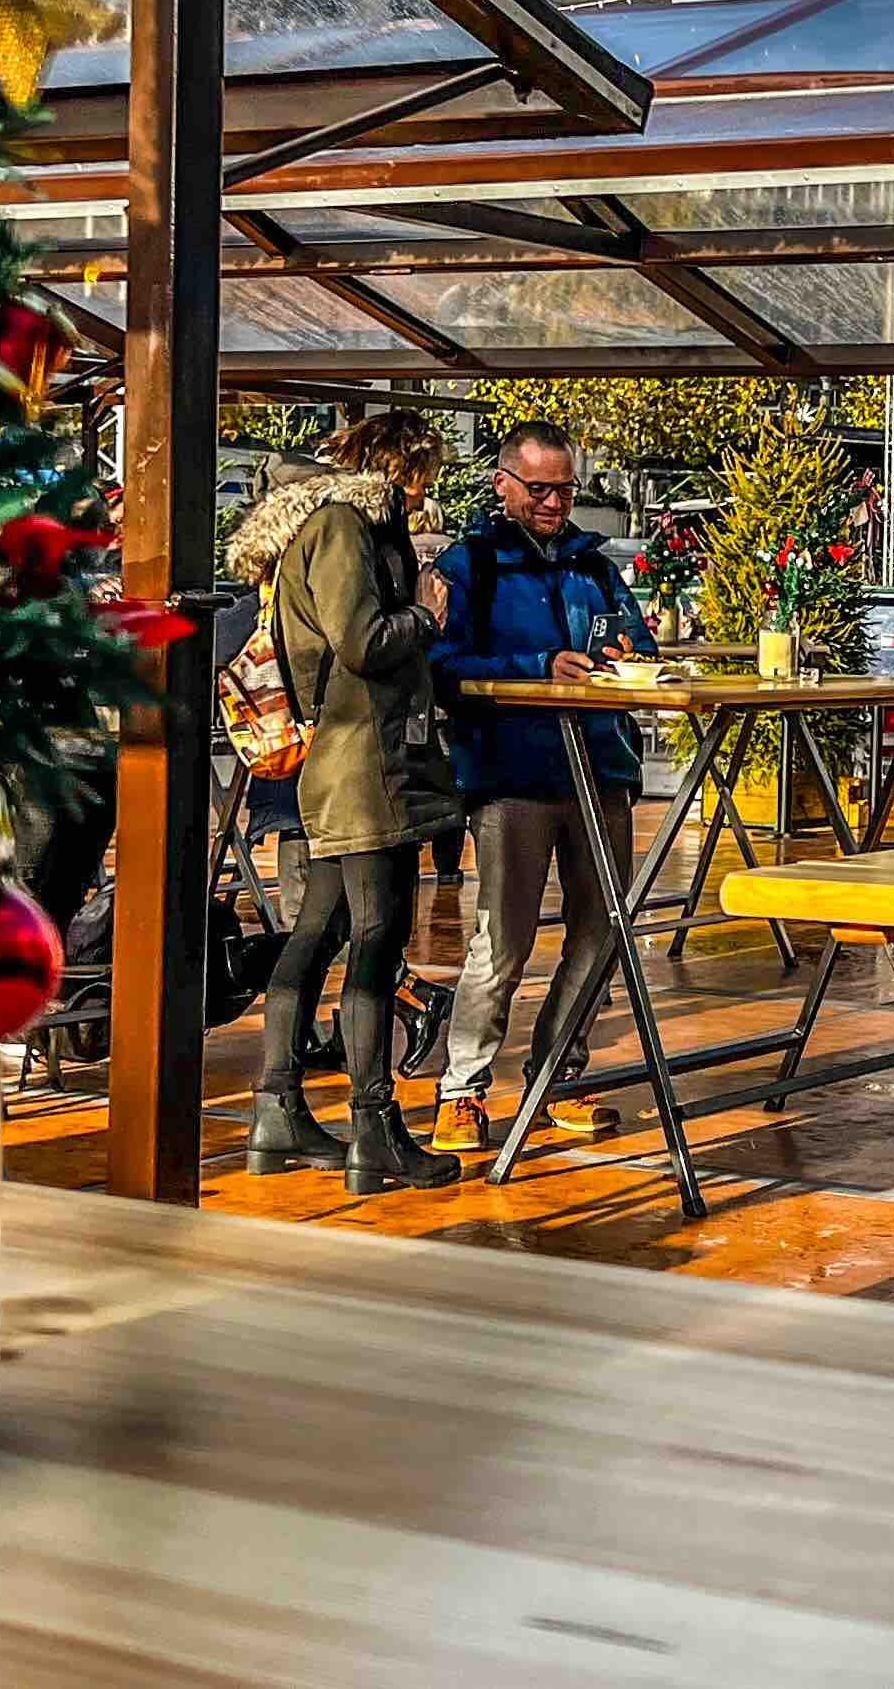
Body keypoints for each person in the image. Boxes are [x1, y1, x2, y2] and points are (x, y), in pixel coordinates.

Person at [222, 415, 463, 1193]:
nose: (426, 494)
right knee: (375, 939)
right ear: (400, 465)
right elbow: (361, 640)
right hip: (366, 765)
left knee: (317, 931)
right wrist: (426, 612)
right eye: (424, 473)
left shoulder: (329, 524)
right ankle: (373, 1125)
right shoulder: (342, 526)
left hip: (349, 761)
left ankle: (278, 1107)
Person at [425, 421, 657, 1156]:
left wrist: (625, 655)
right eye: (540, 488)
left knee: (601, 931)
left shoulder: (595, 566)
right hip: (513, 774)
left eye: (565, 488)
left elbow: (639, 643)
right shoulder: (471, 566)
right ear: (503, 484)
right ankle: (462, 1089)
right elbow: (445, 666)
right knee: (503, 941)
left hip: (601, 770)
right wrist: (536, 664)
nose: (555, 502)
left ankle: (559, 1071)